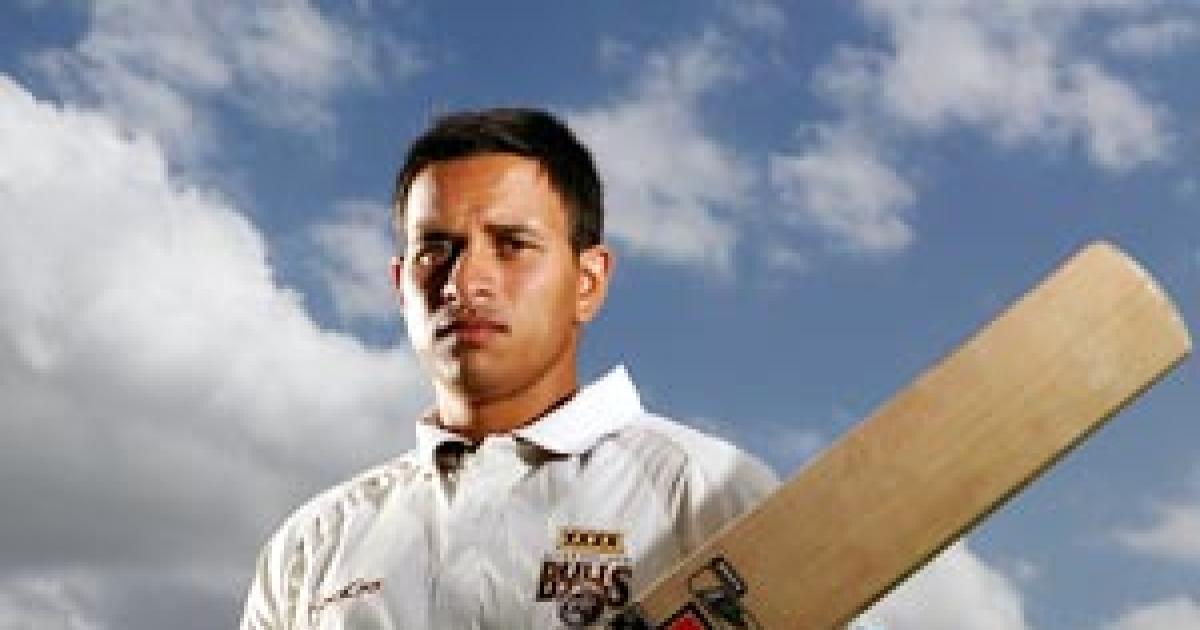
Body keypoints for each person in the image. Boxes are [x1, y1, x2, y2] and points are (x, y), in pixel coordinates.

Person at [239, 108, 778, 629]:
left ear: (587, 282)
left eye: (512, 245)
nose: (463, 283)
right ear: (401, 286)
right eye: (435, 250)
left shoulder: (705, 490)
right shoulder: (310, 546)